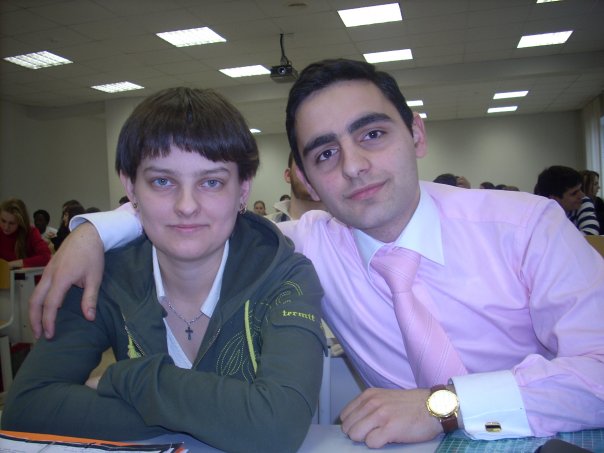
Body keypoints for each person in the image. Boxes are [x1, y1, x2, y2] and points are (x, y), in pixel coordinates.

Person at [28, 60, 604, 447]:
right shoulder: (304, 245)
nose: (353, 166)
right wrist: (93, 232)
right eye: (325, 153)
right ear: (303, 177)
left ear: (416, 134)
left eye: (372, 134)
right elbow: (203, 215)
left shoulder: (528, 227)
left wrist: (445, 406)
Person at [2, 87, 326, 453]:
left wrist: (131, 380)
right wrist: (221, 418)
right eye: (162, 181)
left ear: (242, 189)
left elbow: (277, 427)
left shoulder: (286, 276)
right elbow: (26, 409)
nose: (186, 206)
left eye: (211, 182)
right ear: (131, 187)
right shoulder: (101, 274)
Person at [535, 165, 600, 235]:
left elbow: (591, 234)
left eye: (580, 189)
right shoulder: (538, 212)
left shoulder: (583, 202)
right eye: (574, 193)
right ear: (554, 199)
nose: (582, 195)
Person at [266, 152, 325, 223]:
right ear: (288, 175)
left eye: (325, 160)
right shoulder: (262, 226)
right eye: (303, 161)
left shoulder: (338, 225)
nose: (313, 171)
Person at [0, 198, 51, 269]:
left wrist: (10, 264)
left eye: (12, 223)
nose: (6, 227)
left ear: (20, 222)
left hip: (24, 275)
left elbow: (46, 257)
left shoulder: (31, 232)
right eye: (3, 221)